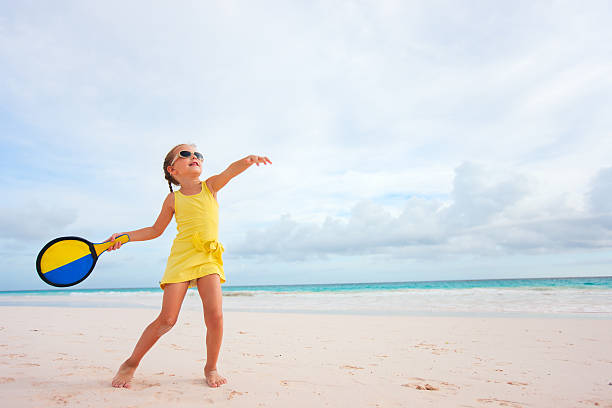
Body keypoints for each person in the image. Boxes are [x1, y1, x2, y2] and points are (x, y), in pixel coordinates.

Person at [107, 144, 271, 388]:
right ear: (172, 169)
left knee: (215, 316)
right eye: (185, 154)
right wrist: (125, 237)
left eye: (197, 154)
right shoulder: (173, 199)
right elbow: (155, 230)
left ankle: (211, 367)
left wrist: (248, 161)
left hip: (208, 257)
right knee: (167, 319)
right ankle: (131, 363)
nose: (194, 157)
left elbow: (230, 171)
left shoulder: (211, 187)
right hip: (182, 258)